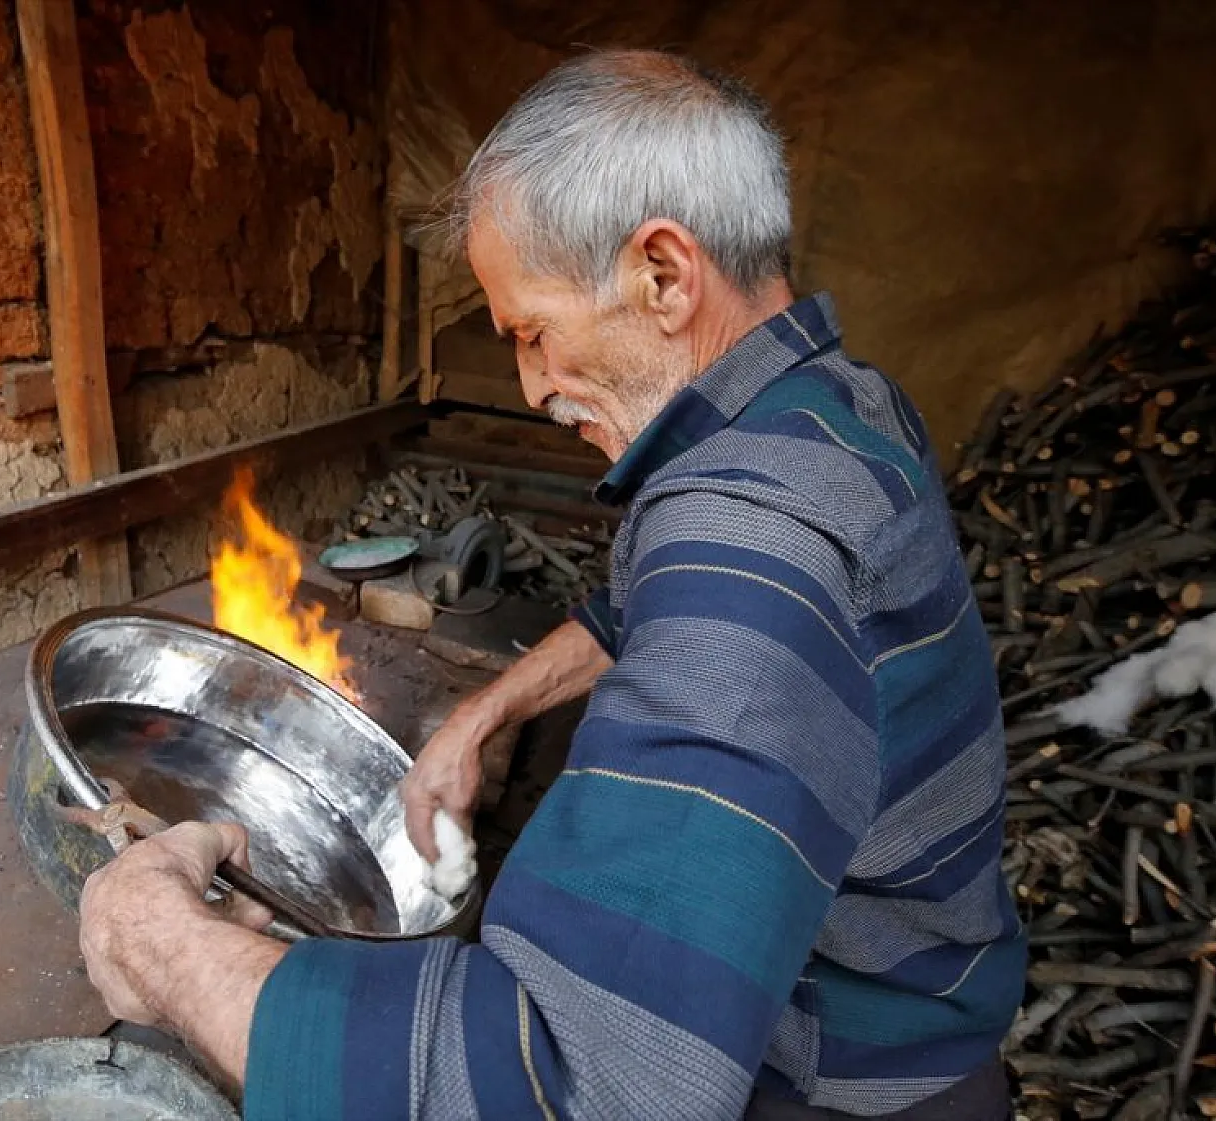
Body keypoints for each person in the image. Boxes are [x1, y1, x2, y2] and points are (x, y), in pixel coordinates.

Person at [77, 49, 1024, 1121]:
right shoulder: (828, 408)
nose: (532, 386)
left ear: (661, 274)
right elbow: (644, 607)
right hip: (927, 1010)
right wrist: (485, 712)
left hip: (838, 1085)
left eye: (531, 331)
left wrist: (162, 948)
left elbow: (577, 1079)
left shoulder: (752, 544)